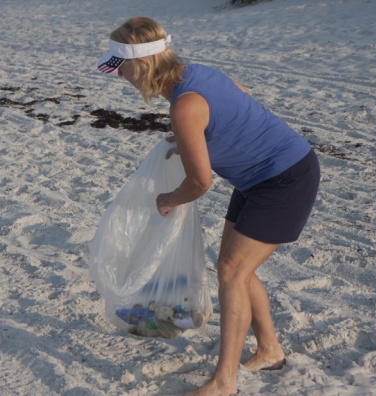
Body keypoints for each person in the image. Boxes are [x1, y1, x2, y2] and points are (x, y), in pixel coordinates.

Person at [97, 16, 320, 396]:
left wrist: (167, 199)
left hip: (285, 180)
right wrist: (192, 137)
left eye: (120, 66)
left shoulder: (184, 106)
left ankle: (224, 383)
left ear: (144, 63)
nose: (118, 75)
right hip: (260, 176)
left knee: (232, 271)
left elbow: (200, 183)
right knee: (233, 267)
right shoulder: (193, 72)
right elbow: (237, 92)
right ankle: (269, 350)